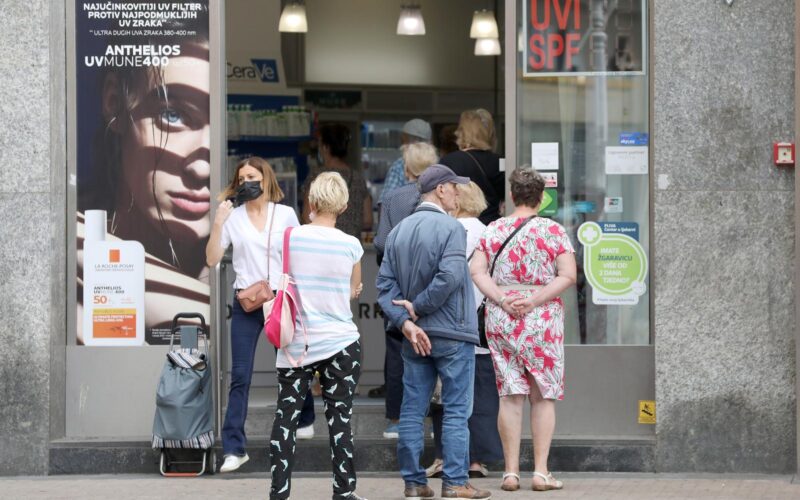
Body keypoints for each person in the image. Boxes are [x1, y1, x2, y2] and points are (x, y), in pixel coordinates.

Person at [77, 8, 211, 341]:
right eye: (172, 115)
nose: (202, 168)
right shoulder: (72, 233)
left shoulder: (241, 252)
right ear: (114, 102)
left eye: (220, 124)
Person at [377, 165, 491, 500]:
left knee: (412, 409)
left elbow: (384, 286)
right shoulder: (451, 227)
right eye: (455, 187)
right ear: (440, 190)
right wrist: (418, 307)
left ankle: (414, 483)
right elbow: (451, 276)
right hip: (452, 332)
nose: (458, 193)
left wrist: (406, 322)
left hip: (415, 335)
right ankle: (454, 482)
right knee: (456, 409)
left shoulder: (398, 232)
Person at [470, 167, 577, 492]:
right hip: (542, 318)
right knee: (543, 395)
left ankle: (511, 473)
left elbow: (477, 271)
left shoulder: (494, 229)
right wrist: (534, 300)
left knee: (510, 395)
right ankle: (541, 472)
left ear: (512, 195)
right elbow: (568, 274)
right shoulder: (554, 230)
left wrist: (502, 298)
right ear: (541, 197)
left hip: (503, 317)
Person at [206, 157, 315, 473]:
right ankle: (234, 448)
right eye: (241, 179)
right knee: (240, 375)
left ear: (265, 179)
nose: (246, 183)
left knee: (293, 364)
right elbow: (212, 259)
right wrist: (218, 222)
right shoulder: (233, 217)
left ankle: (306, 418)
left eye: (251, 177)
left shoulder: (285, 214)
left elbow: (300, 255)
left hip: (279, 300)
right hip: (247, 304)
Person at [269, 172, 367, 500]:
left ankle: (279, 492)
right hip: (341, 342)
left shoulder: (290, 237)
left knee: (286, 419)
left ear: (310, 201)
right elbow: (353, 290)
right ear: (344, 206)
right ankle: (344, 491)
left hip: (295, 343)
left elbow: (278, 281)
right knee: (340, 421)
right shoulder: (351, 245)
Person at [427, 182, 503, 479]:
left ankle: (445, 457)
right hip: (483, 323)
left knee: (445, 392)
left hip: (449, 322)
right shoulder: (490, 234)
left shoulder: (445, 230)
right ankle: (477, 460)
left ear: (456, 200)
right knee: (482, 393)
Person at [373, 142, 439, 439]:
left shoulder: (392, 198)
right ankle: (434, 419)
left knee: (397, 351)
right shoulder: (441, 196)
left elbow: (381, 243)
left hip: (399, 285)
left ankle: (397, 420)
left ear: (407, 168)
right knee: (436, 349)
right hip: (433, 286)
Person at [302, 123, 373, 238]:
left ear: (325, 147)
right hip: (351, 244)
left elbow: (307, 216)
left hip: (322, 243)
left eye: (320, 144)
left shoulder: (316, 177)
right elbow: (368, 220)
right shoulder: (358, 178)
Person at [439, 109, 504, 225]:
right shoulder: (500, 162)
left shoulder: (449, 161)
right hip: (492, 227)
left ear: (462, 132)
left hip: (459, 225)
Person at [379, 118, 434, 205]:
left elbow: (385, 203)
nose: (401, 142)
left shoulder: (400, 165)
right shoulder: (437, 164)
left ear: (412, 142)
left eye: (403, 138)